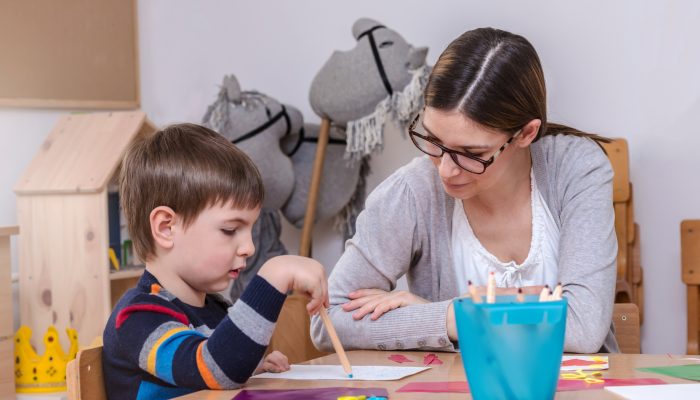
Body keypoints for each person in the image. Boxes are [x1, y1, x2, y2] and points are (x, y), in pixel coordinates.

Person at [311, 27, 618, 354]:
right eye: (432, 140)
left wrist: (456, 312)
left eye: (472, 153)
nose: (445, 169)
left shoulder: (575, 166)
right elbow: (329, 320)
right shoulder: (413, 190)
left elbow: (583, 325)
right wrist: (451, 319)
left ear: (526, 133)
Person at [103, 123, 328, 399]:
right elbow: (212, 368)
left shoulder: (217, 310)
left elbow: (217, 372)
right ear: (166, 228)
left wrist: (250, 366)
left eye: (249, 230)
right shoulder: (138, 316)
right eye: (230, 230)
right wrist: (275, 274)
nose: (249, 247)